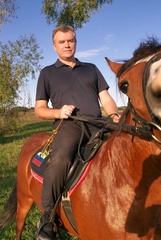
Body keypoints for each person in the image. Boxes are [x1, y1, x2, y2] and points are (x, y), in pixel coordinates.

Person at [35, 25, 120, 239]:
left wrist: (115, 115)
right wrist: (58, 111)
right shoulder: (47, 73)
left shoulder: (91, 69)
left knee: (124, 147)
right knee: (61, 159)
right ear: (54, 46)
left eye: (70, 40)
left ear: (75, 42)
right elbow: (39, 109)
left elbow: (106, 98)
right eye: (62, 42)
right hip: (69, 125)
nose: (67, 44)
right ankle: (47, 218)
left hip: (99, 123)